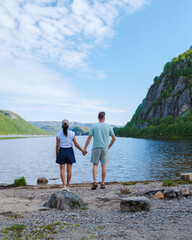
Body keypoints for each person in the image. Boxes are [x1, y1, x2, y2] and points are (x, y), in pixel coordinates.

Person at [83, 112, 116, 190]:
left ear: (98, 118)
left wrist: (84, 148)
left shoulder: (94, 126)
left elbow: (89, 138)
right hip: (105, 149)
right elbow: (114, 138)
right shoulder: (108, 127)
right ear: (104, 118)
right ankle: (102, 183)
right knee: (103, 166)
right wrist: (108, 147)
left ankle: (94, 182)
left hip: (96, 148)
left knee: (95, 165)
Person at [56, 119, 87, 191]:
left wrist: (56, 154)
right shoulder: (72, 133)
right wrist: (83, 150)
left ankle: (64, 185)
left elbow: (57, 146)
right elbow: (76, 144)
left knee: (62, 170)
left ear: (62, 126)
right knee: (69, 170)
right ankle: (68, 185)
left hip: (62, 151)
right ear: (68, 126)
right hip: (69, 151)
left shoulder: (58, 134)